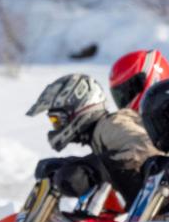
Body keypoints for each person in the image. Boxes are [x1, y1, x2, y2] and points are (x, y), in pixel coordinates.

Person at [26, 73, 161, 204]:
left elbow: (146, 148)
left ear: (77, 108)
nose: (57, 127)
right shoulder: (99, 134)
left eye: (57, 120)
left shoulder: (112, 124)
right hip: (147, 215)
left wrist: (94, 168)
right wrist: (69, 163)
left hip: (163, 215)